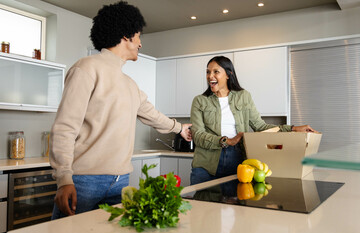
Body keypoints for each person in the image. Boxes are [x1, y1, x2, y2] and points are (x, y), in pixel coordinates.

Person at [50, 1, 191, 219]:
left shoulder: (130, 84)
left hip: (121, 182)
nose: (140, 44)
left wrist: (179, 127)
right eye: (138, 36)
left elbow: (152, 116)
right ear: (126, 35)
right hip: (85, 181)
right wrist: (64, 179)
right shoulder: (86, 68)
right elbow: (64, 127)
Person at [190, 56, 317, 185]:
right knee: (201, 203)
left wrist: (293, 128)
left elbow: (260, 126)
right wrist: (226, 140)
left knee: (234, 203)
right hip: (206, 163)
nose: (210, 76)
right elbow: (198, 135)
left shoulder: (243, 96)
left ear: (228, 74)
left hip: (237, 160)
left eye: (216, 71)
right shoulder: (200, 101)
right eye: (208, 72)